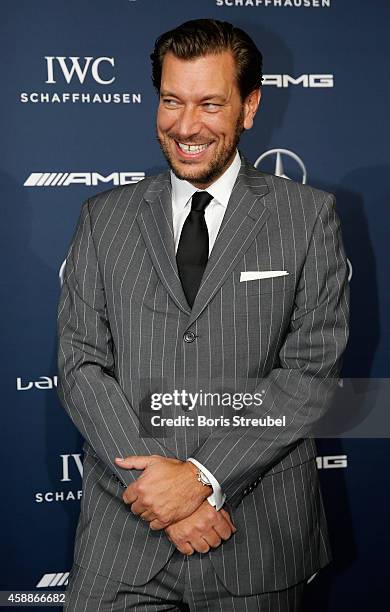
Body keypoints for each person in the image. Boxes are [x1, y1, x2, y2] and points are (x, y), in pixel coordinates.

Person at [58, 18, 349, 611]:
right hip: (124, 538)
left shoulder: (306, 217)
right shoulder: (102, 218)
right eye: (171, 101)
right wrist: (157, 496)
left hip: (255, 535)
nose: (186, 126)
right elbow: (81, 365)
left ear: (249, 107)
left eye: (210, 103)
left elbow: (309, 375)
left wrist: (201, 477)